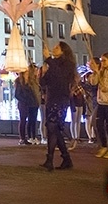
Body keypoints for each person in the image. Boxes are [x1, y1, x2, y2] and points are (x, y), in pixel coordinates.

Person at [40, 42, 77, 170]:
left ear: (63, 51)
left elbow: (59, 76)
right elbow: (43, 82)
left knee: (52, 126)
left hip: (61, 100)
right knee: (54, 129)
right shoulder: (53, 65)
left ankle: (50, 159)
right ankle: (66, 158)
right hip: (51, 99)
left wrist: (49, 59)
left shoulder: (67, 65)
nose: (53, 49)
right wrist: (43, 72)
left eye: (56, 47)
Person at [15, 63, 40, 146]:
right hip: (23, 104)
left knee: (30, 120)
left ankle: (29, 137)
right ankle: (22, 138)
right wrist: (24, 100)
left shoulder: (30, 81)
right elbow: (17, 94)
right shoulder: (19, 81)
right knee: (23, 120)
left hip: (30, 103)